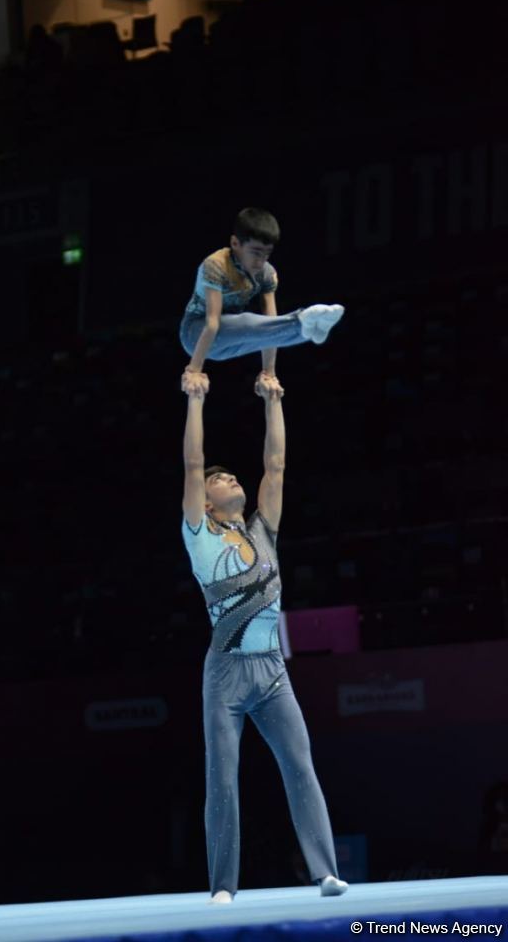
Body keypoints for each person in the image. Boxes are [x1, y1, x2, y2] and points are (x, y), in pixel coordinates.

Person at [180, 369, 348, 902]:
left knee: (300, 765)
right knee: (223, 779)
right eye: (220, 480)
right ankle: (223, 886)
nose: (229, 478)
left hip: (273, 671)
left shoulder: (261, 531)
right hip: (226, 674)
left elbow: (275, 464)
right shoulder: (200, 536)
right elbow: (192, 464)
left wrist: (273, 400)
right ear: (206, 503)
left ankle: (325, 872)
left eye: (232, 475)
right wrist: (195, 400)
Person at [180, 208, 344, 397]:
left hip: (229, 341)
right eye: (256, 253)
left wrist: (269, 374)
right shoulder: (216, 265)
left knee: (260, 334)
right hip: (195, 335)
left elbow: (270, 324)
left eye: (267, 254)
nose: (261, 261)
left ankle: (307, 331)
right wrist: (194, 370)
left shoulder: (267, 273)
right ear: (235, 243)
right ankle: (299, 322)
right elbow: (212, 323)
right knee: (247, 320)